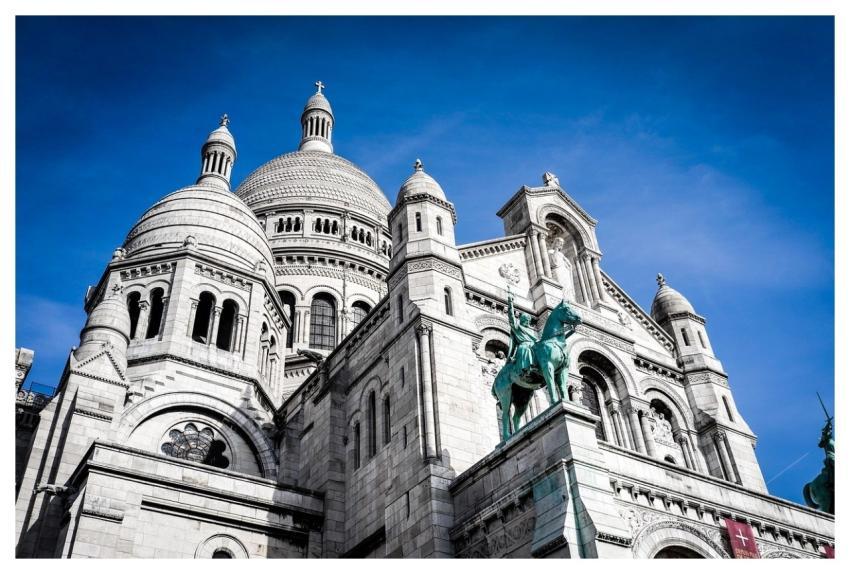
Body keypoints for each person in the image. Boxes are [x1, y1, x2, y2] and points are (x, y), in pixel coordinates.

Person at [507, 291, 537, 376]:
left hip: (533, 345)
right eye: (526, 320)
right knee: (526, 349)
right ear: (522, 320)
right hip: (524, 346)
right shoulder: (517, 327)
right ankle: (527, 368)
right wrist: (510, 303)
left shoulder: (531, 331)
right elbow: (511, 317)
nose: (528, 322)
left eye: (529, 321)